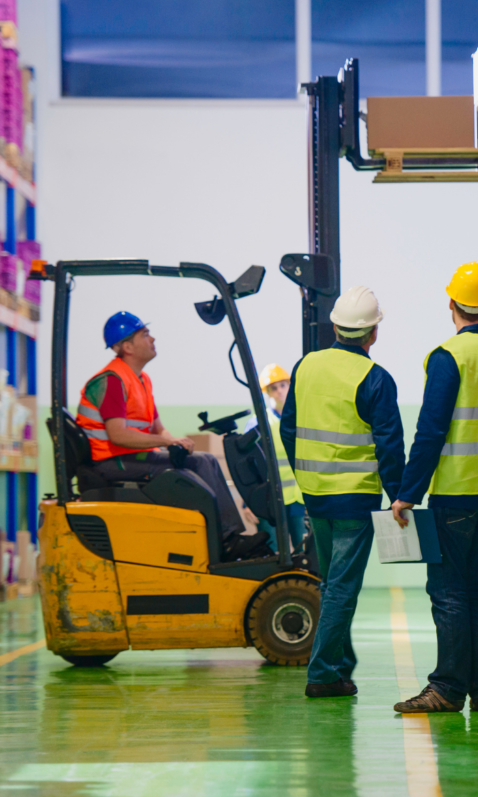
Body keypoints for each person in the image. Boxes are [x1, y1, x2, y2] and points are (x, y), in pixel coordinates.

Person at [391, 262, 478, 714]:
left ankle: (447, 689)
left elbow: (430, 431)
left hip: (455, 494)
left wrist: (408, 492)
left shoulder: (448, 356)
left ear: (451, 303)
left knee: (449, 591)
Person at [280, 286, 405, 699]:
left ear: (334, 326)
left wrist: (304, 476)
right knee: (341, 587)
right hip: (355, 499)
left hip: (315, 496)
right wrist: (399, 496)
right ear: (373, 334)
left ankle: (337, 665)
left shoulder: (305, 366)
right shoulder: (376, 379)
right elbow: (389, 446)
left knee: (332, 582)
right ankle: (322, 674)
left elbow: (289, 427)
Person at [76, 311, 269, 561]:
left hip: (131, 457)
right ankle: (227, 540)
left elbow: (158, 428)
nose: (152, 339)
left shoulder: (141, 379)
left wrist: (174, 442)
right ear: (126, 346)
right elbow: (118, 435)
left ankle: (225, 538)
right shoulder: (113, 380)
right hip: (112, 462)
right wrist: (167, 442)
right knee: (200, 462)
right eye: (145, 334)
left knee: (205, 460)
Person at [240, 364, 307, 555]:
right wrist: (248, 502)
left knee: (304, 553)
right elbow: (247, 465)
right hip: (269, 500)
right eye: (273, 388)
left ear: (289, 386)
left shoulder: (301, 418)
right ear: (267, 392)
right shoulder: (258, 423)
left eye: (283, 386)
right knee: (271, 554)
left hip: (298, 499)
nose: (279, 392)